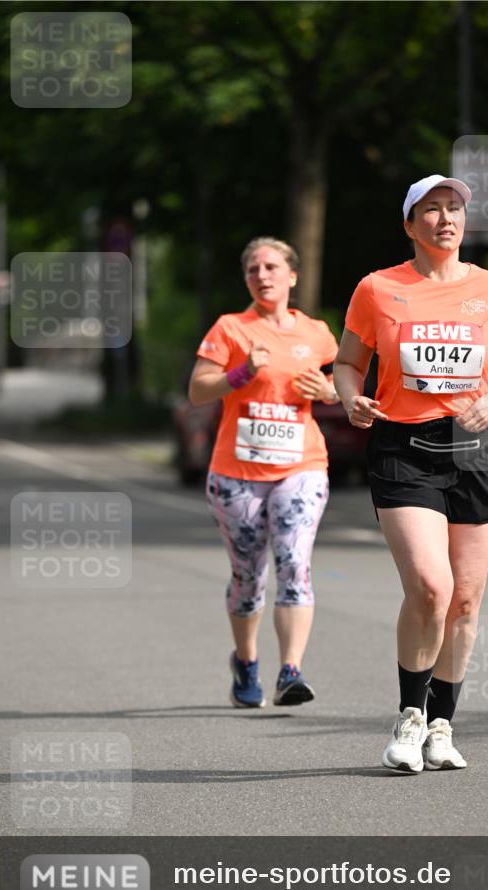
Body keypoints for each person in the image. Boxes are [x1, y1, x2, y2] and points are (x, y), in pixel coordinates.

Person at [333, 175, 488, 772]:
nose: (446, 218)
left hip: (478, 447)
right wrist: (351, 396)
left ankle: (441, 725)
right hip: (404, 447)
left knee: (466, 599)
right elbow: (348, 362)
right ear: (410, 224)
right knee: (432, 586)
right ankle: (408, 718)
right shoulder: (378, 289)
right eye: (432, 209)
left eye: (454, 208)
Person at [189, 237, 339, 709]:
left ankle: (290, 671)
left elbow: (345, 382)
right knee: (248, 577)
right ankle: (247, 660)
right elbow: (197, 391)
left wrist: (331, 391)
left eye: (271, 266)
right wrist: (240, 374)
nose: (262, 275)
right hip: (237, 473)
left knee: (294, 562)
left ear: (292, 275)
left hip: (301, 466)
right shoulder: (231, 329)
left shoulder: (317, 333)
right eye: (253, 269)